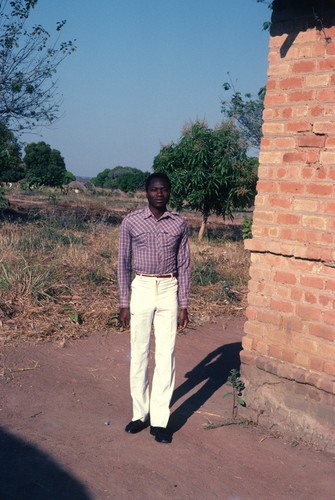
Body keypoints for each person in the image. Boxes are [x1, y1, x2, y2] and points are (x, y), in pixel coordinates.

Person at [118, 172, 191, 444]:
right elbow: (123, 263)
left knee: (165, 355)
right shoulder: (131, 222)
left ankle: (160, 421)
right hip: (142, 287)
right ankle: (140, 414)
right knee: (139, 354)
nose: (159, 193)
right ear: (146, 192)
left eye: (164, 189)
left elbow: (184, 265)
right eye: (154, 189)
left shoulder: (179, 224)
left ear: (169, 192)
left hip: (169, 289)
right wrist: (124, 302)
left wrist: (184, 304)